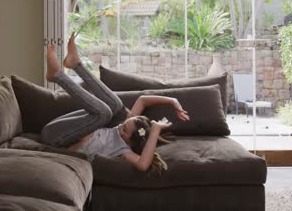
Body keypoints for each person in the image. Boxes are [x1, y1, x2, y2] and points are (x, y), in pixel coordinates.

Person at [41, 33, 190, 173]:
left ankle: (58, 76)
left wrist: (156, 129)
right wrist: (172, 100)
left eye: (124, 129)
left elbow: (143, 165)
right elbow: (142, 100)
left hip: (55, 140)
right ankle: (76, 65)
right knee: (114, 107)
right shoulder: (122, 127)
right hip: (58, 127)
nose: (120, 126)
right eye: (125, 124)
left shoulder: (122, 150)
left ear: (130, 142)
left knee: (104, 114)